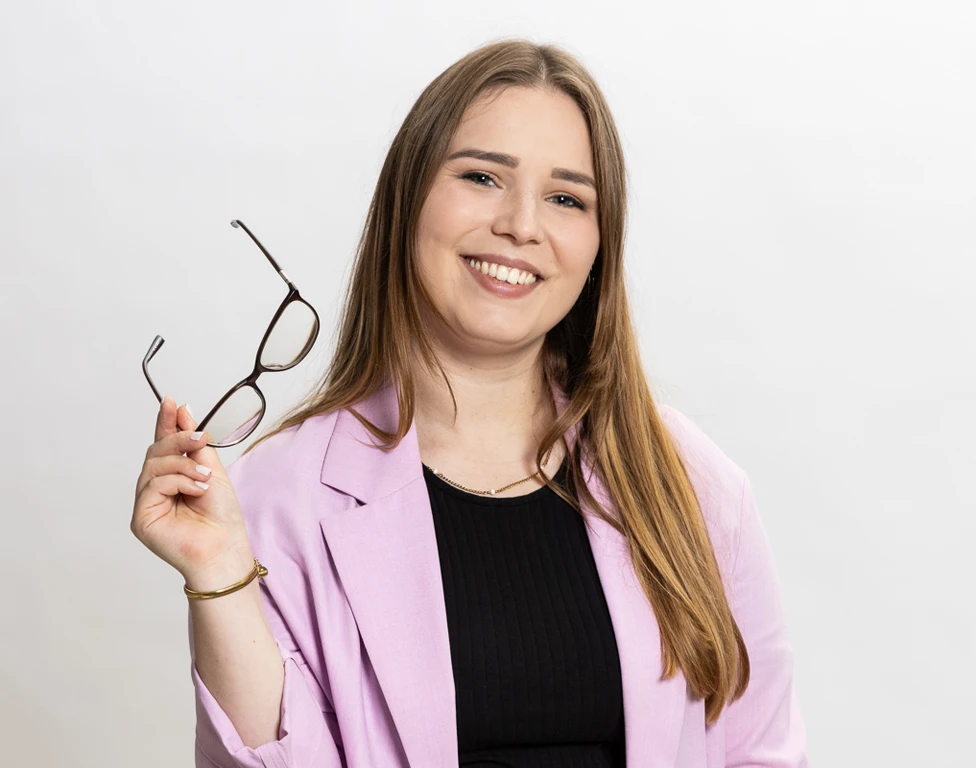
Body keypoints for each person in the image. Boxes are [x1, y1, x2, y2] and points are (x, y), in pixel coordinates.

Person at [131, 39, 807, 768]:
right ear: (409, 196)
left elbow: (760, 752)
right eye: (483, 177)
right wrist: (220, 580)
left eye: (566, 198)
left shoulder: (691, 482)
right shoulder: (280, 496)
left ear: (598, 244)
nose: (522, 224)